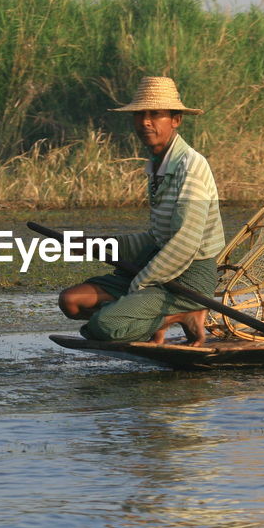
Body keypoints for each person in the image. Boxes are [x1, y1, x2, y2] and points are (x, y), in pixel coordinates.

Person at [57, 76, 225, 345]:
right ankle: (147, 315)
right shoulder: (158, 165)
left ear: (175, 120)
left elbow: (185, 243)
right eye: (139, 115)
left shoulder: (190, 166)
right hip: (158, 264)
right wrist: (97, 243)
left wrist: (140, 286)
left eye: (155, 115)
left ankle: (184, 312)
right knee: (72, 301)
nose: (145, 122)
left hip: (189, 278)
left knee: (104, 329)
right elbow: (156, 237)